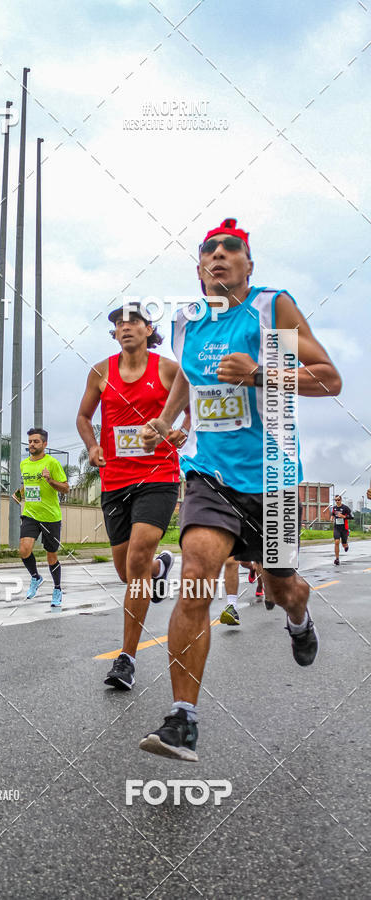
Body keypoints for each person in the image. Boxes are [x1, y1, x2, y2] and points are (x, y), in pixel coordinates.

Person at [139, 217, 342, 761]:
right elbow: (187, 375)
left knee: (281, 586)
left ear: (249, 264)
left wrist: (259, 374)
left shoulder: (271, 308)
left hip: (273, 475)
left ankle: (298, 620)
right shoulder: (187, 321)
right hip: (213, 474)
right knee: (197, 571)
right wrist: (165, 420)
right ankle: (183, 719)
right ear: (199, 266)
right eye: (210, 250)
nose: (220, 256)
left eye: (233, 249)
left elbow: (328, 377)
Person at [76, 300, 189, 690]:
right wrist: (92, 447)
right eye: (119, 323)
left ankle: (126, 658)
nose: (125, 327)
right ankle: (160, 570)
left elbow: (193, 406)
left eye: (133, 321)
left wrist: (183, 431)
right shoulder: (100, 371)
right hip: (115, 481)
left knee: (138, 554)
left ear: (147, 329)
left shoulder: (167, 369)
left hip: (159, 475)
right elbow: (83, 417)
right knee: (128, 572)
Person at [14, 428, 69, 607]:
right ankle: (35, 577)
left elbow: (66, 487)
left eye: (36, 441)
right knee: (24, 549)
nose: (32, 444)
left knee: (51, 556)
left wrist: (50, 481)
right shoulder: (24, 464)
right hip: (30, 514)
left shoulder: (52, 463)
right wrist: (19, 493)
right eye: (30, 441)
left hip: (50, 516)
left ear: (44, 444)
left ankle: (57, 589)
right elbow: (28, 484)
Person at [330, 494, 352, 566]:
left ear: (341, 500)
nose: (337, 501)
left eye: (338, 500)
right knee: (336, 542)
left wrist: (344, 516)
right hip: (337, 528)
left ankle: (346, 546)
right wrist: (332, 518)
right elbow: (333, 514)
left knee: (344, 544)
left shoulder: (345, 508)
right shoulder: (334, 508)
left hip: (344, 528)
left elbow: (351, 517)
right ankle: (337, 559)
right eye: (336, 500)